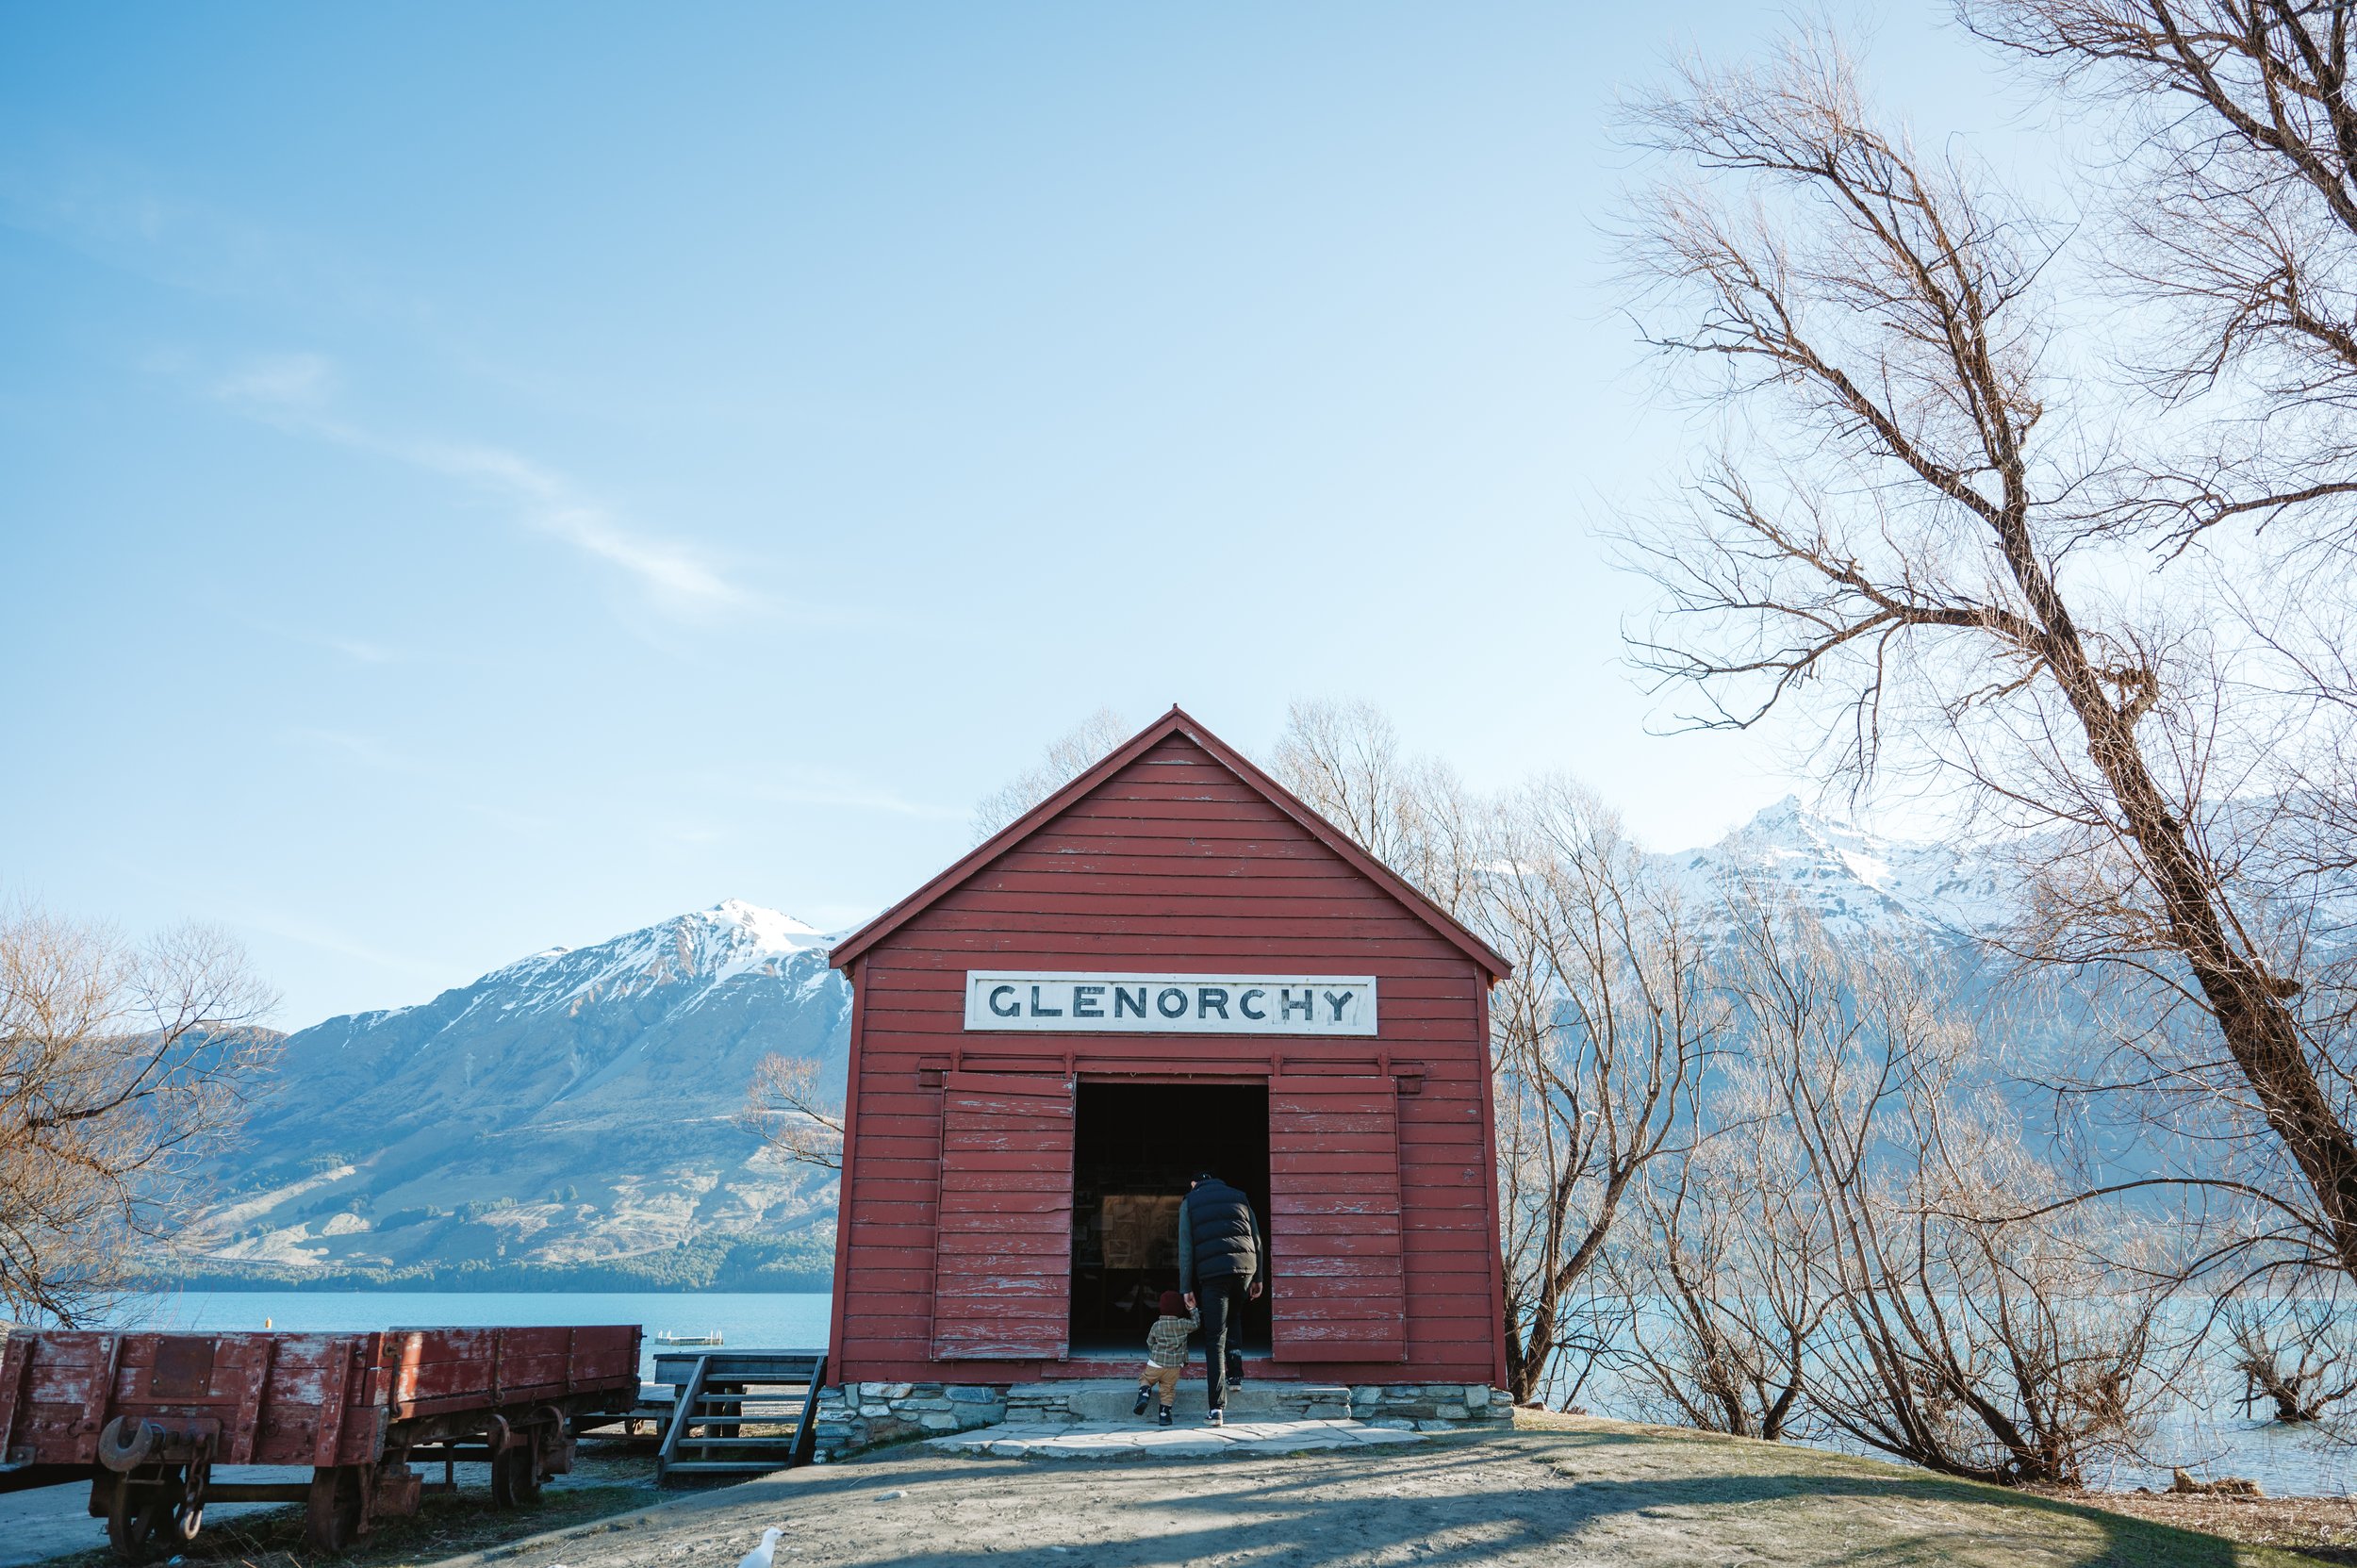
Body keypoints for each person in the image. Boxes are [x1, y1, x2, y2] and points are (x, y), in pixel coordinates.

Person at [1177, 1168, 1263, 1426]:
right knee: (1234, 1315)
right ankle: (1235, 1376)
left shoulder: (1189, 1201)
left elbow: (1186, 1248)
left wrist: (1185, 1287)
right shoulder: (1239, 1195)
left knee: (1214, 1337)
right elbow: (1256, 1239)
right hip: (1244, 1269)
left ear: (1193, 1184)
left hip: (1213, 1275)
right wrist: (1258, 1277)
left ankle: (1216, 1408)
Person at [1130, 1289, 1198, 1426]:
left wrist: (1155, 1352)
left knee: (1146, 1379)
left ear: (1161, 1308)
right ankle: (1164, 1415)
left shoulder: (1157, 1325)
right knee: (1168, 1390)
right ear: (1180, 1309)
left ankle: (1144, 1394)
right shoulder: (1183, 1324)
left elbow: (1150, 1342)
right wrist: (1193, 1309)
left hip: (1156, 1363)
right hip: (1174, 1367)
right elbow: (1196, 1324)